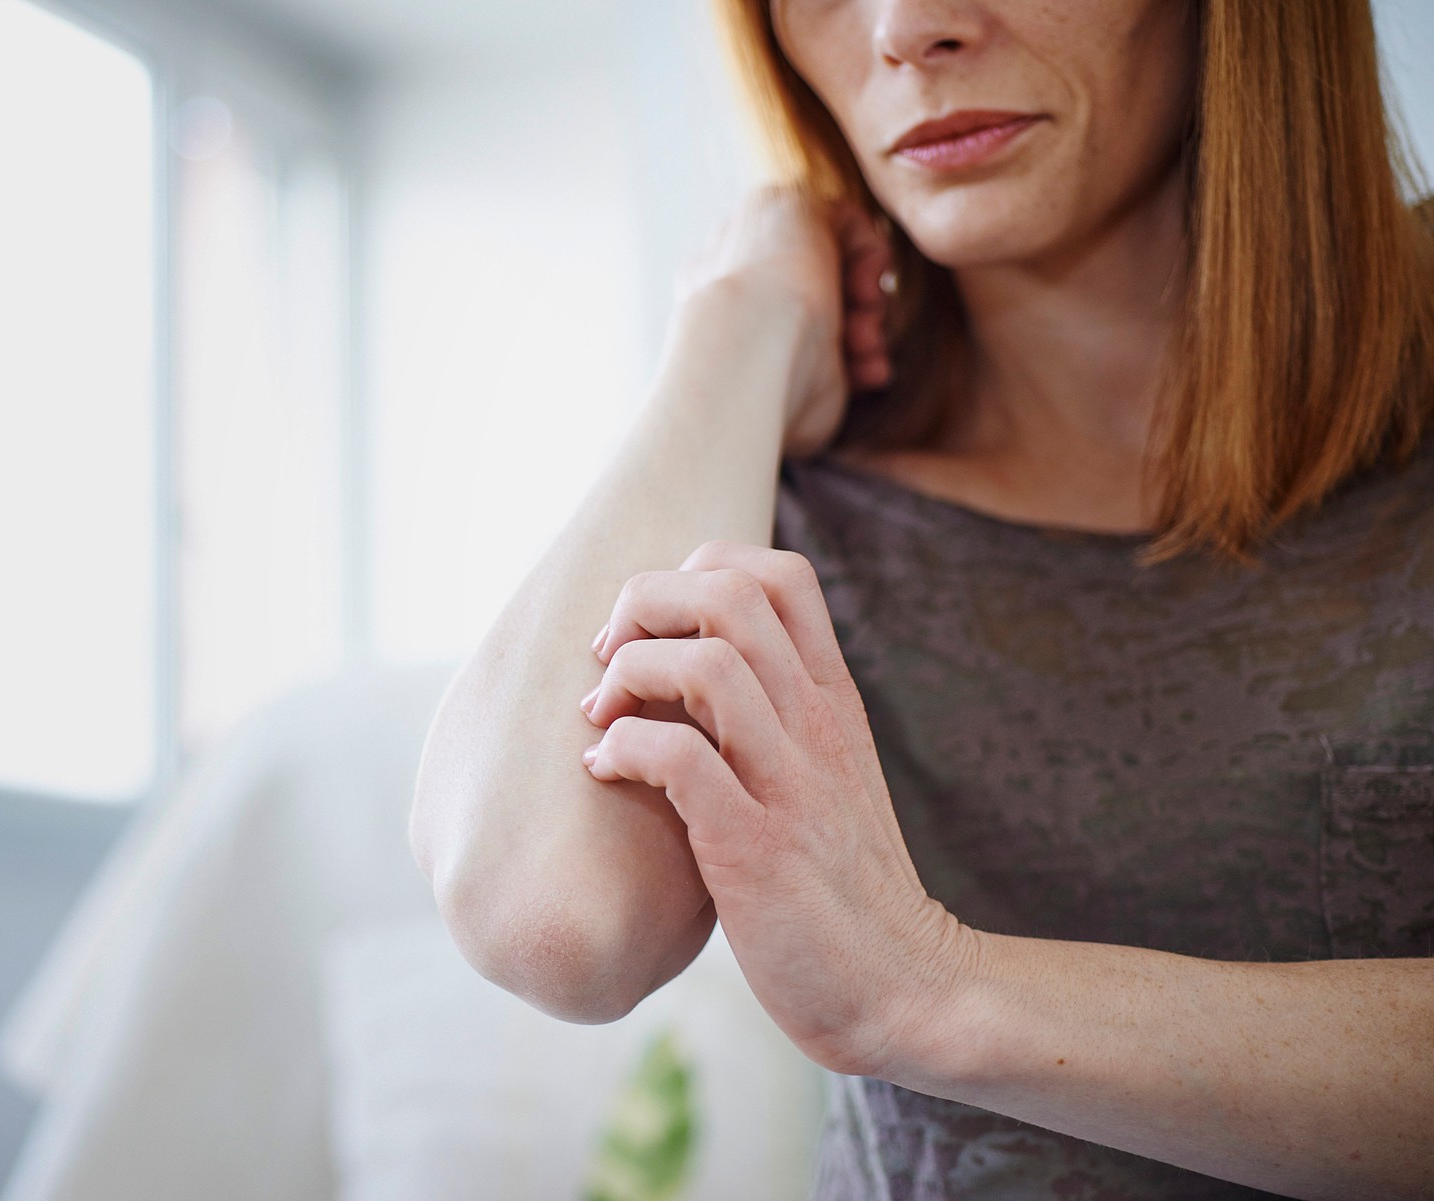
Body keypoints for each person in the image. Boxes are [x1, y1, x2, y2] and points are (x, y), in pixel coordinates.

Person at [409, 0, 1434, 1196]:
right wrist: (739, 318)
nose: (906, 27)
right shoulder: (785, 487)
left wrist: (933, 993)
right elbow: (556, 924)